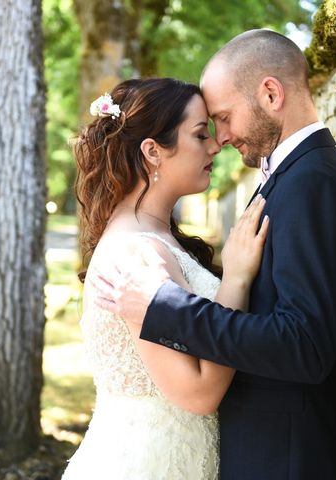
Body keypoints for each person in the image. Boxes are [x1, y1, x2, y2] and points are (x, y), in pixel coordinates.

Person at [93, 30, 336, 479]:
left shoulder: (312, 183)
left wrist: (166, 309)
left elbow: (305, 346)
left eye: (222, 118)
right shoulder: (288, 179)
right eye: (207, 128)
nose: (220, 139)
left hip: (287, 459)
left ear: (270, 93)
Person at [61, 78, 269, 479]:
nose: (215, 145)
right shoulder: (136, 254)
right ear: (153, 152)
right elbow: (198, 393)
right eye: (199, 134)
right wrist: (237, 279)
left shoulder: (155, 237)